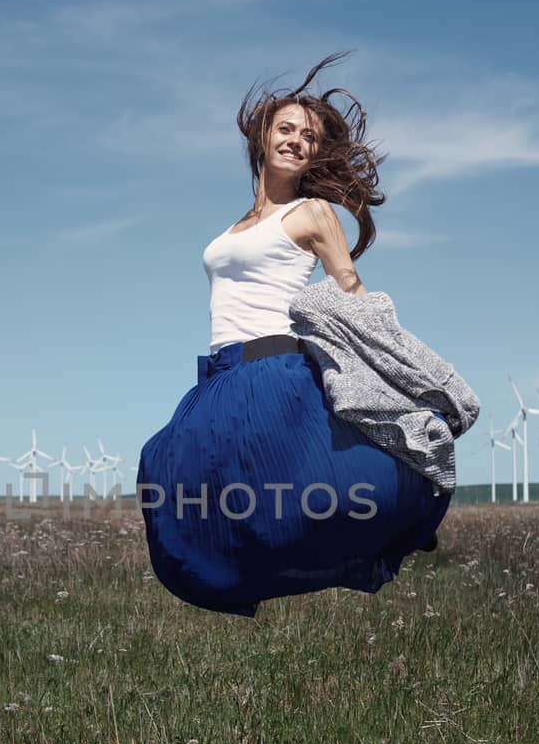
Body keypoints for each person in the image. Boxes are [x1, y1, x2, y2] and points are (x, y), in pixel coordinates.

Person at [136, 51, 452, 618]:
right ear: (261, 136)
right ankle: (246, 576)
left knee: (307, 495)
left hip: (276, 367)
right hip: (220, 375)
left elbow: (352, 290)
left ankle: (404, 513)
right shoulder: (236, 226)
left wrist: (399, 369)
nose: (295, 142)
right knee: (166, 471)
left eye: (307, 137)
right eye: (285, 130)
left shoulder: (312, 212)